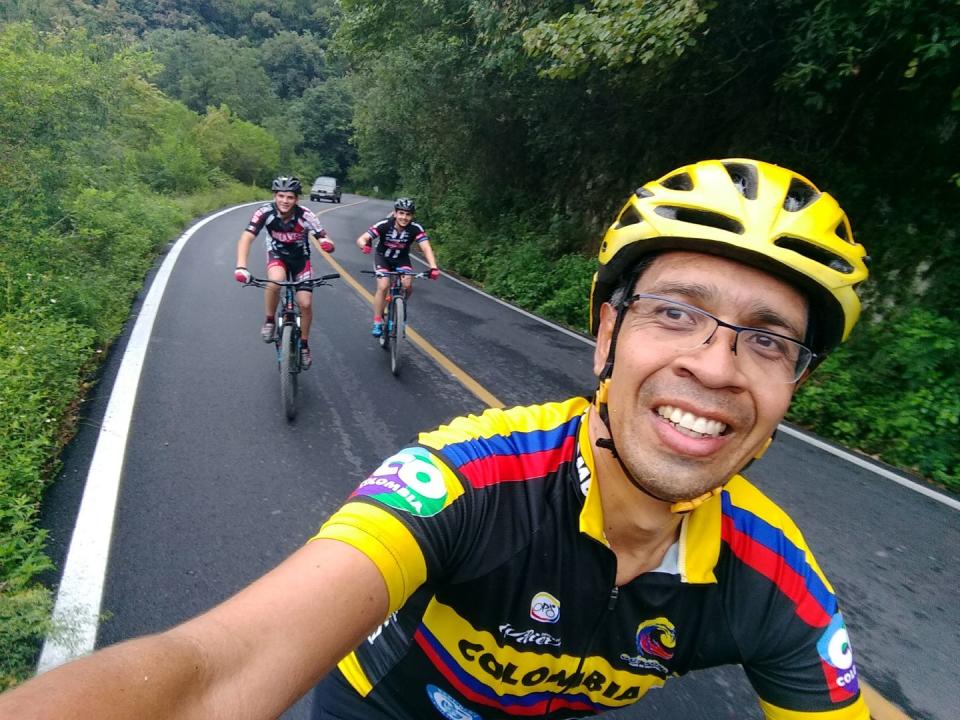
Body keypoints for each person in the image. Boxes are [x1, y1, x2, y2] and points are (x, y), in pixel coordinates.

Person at [0, 159, 871, 720]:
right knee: (320, 295)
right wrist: (376, 269)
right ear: (607, 334)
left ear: (793, 385)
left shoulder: (774, 582)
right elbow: (213, 672)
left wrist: (427, 265)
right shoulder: (463, 482)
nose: (716, 367)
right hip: (383, 711)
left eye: (767, 341)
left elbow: (416, 246)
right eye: (674, 313)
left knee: (369, 289)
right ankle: (331, 319)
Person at [234, 176, 335, 370]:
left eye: (290, 197)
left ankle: (304, 345)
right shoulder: (265, 212)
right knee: (276, 281)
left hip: (300, 260)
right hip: (277, 256)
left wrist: (327, 244)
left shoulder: (306, 215)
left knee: (305, 303)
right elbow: (246, 237)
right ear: (274, 196)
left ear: (296, 199)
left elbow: (325, 238)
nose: (285, 201)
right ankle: (270, 320)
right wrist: (241, 266)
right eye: (281, 196)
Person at [355, 197, 440, 337]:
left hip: (402, 259)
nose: (404, 217)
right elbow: (362, 238)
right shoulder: (384, 225)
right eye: (401, 213)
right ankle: (377, 321)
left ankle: (399, 309)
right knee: (383, 286)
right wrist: (364, 246)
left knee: (407, 285)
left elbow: (426, 247)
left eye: (408, 214)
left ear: (412, 216)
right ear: (395, 213)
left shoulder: (415, 228)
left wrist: (433, 267)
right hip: (383, 258)